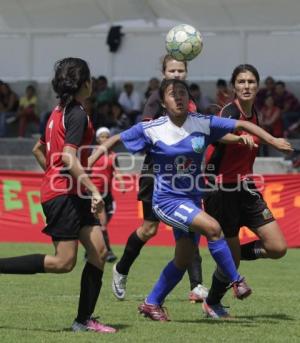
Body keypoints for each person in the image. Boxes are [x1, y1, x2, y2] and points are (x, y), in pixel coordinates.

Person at [90, 78, 292, 321]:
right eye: (172, 94)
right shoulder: (153, 128)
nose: (179, 97)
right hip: (167, 200)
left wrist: (271, 141)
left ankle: (151, 303)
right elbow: (116, 139)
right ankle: (237, 281)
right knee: (213, 228)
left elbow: (241, 124)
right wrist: (94, 156)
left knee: (183, 258)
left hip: (193, 200)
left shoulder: (201, 123)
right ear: (163, 102)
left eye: (183, 93)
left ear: (190, 99)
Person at [0, 57, 116, 334]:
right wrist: (91, 187)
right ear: (85, 83)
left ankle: (84, 321)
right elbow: (67, 158)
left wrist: (57, 178)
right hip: (66, 194)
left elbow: (38, 151)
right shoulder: (76, 113)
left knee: (99, 251)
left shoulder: (58, 112)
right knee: (64, 262)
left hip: (67, 192)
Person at [112, 54, 208, 305]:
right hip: (156, 174)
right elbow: (146, 131)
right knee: (149, 229)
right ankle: (121, 269)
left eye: (180, 71)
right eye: (172, 71)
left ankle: (197, 285)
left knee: (191, 226)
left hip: (183, 177)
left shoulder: (188, 98)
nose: (176, 75)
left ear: (187, 72)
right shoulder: (158, 97)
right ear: (164, 72)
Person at [203, 64, 292, 319]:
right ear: (234, 86)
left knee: (277, 247)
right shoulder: (228, 112)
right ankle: (212, 302)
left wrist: (266, 139)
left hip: (246, 187)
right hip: (220, 190)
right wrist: (269, 140)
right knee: (232, 259)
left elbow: (250, 134)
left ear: (258, 86)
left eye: (251, 82)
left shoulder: (255, 114)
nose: (246, 86)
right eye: (241, 82)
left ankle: (230, 257)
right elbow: (216, 134)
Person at [90, 126, 125, 262]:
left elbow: (117, 171)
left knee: (100, 224)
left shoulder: (112, 155)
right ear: (98, 139)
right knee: (102, 224)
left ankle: (91, 250)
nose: (104, 139)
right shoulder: (92, 153)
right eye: (102, 136)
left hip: (107, 194)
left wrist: (121, 183)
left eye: (106, 136)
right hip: (94, 193)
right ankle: (108, 252)